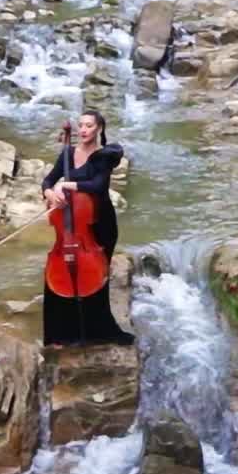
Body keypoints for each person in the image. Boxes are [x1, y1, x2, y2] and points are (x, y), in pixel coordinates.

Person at [40, 108, 135, 347]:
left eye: (89, 126)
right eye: (81, 125)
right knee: (58, 275)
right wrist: (51, 192)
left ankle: (99, 331)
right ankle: (61, 333)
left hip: (100, 224)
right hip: (71, 227)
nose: (83, 130)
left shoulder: (104, 156)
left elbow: (98, 185)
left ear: (99, 129)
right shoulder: (67, 153)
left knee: (96, 279)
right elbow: (48, 180)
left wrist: (68, 185)